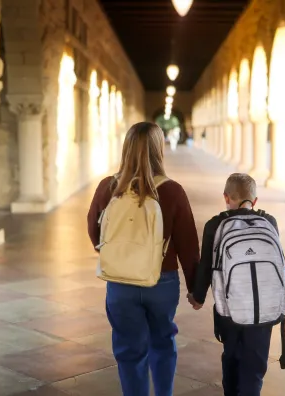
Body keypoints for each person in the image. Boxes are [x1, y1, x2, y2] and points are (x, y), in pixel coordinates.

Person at [87, 122, 200, 396]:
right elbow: (188, 245)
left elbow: (94, 229)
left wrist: (118, 253)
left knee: (129, 350)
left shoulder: (108, 187)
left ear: (126, 149)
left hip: (120, 283)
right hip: (161, 281)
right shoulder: (172, 191)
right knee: (162, 342)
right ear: (159, 149)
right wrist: (197, 289)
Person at [189, 173, 285, 396]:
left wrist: (198, 296)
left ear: (226, 197)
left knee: (232, 357)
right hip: (264, 309)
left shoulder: (215, 225)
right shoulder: (270, 222)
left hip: (229, 311)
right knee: (255, 366)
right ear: (255, 201)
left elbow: (206, 266)